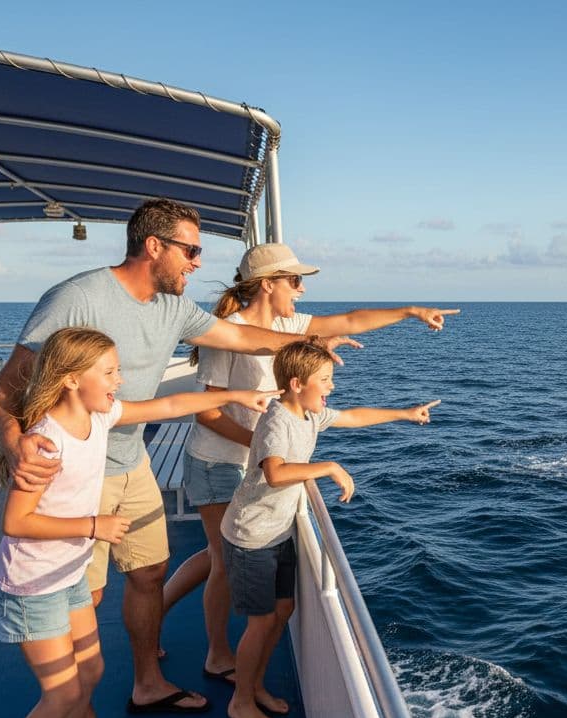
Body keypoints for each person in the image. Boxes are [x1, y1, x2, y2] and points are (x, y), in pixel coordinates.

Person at [0, 198, 354, 718]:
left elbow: (243, 342)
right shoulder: (76, 298)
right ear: (153, 245)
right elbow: (9, 385)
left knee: (150, 572)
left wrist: (304, 352)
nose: (198, 262)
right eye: (191, 250)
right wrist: (15, 446)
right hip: (74, 479)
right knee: (84, 600)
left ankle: (148, 683)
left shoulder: (171, 308)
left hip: (129, 458)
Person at [161, 241, 459, 683]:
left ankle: (158, 609)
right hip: (218, 460)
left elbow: (352, 319)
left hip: (255, 462)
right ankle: (216, 654)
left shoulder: (293, 325)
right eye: (294, 281)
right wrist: (266, 449)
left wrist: (412, 311)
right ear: (267, 285)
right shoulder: (228, 332)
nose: (301, 291)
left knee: (217, 554)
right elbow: (208, 412)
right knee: (222, 558)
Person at [0, 326, 279, 718]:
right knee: (62, 691)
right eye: (108, 372)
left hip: (67, 576)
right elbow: (16, 521)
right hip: (33, 585)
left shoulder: (97, 418)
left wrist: (234, 397)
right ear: (70, 379)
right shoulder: (48, 442)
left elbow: (170, 404)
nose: (118, 380)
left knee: (91, 673)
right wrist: (93, 525)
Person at [221, 339, 440, 718]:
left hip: (279, 530)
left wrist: (404, 413)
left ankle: (254, 686)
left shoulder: (308, 414)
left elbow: (353, 417)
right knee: (261, 621)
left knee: (282, 612)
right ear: (295, 383)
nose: (331, 387)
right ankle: (240, 702)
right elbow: (275, 473)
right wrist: (329, 466)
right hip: (251, 536)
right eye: (324, 379)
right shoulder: (278, 421)